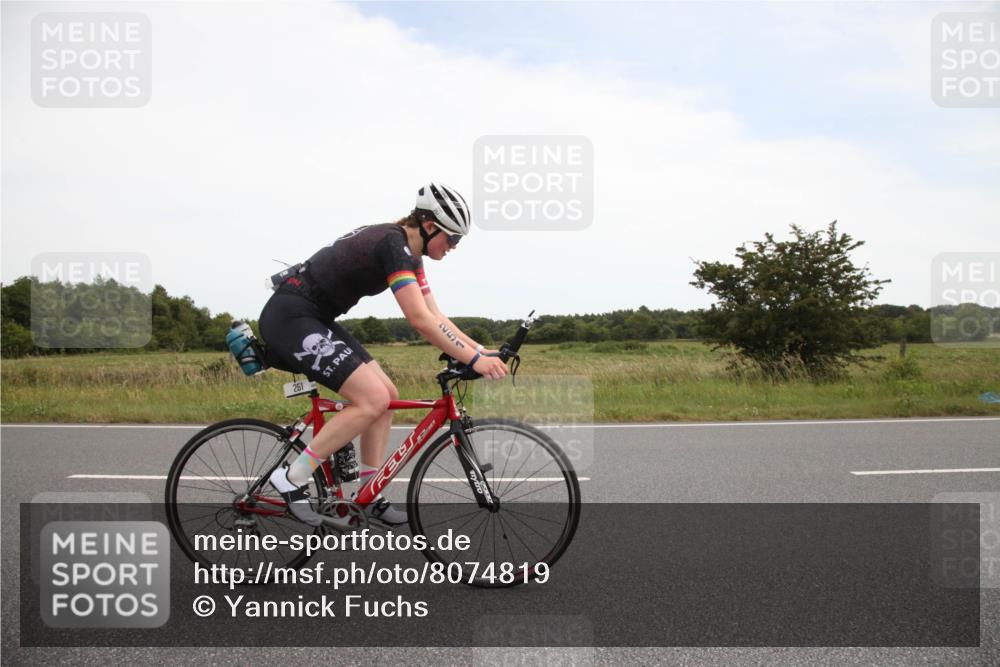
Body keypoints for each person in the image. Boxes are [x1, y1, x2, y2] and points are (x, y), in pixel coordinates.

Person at [258, 183, 508, 527]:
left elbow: (435, 315)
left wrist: (478, 351)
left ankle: (369, 491)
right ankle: (291, 477)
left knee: (387, 396)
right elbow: (419, 320)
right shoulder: (394, 245)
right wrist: (475, 360)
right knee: (372, 398)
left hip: (314, 317)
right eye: (452, 238)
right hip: (291, 317)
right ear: (430, 226)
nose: (453, 247)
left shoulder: (410, 254)